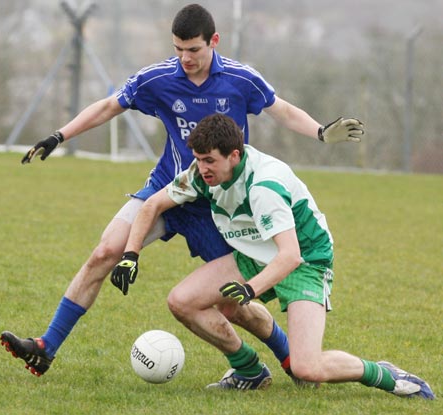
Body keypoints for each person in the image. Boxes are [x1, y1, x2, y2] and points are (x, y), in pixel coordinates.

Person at [0, 4, 363, 380]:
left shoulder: (240, 79)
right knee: (105, 251)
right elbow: (110, 106)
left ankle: (287, 358)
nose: (185, 58)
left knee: (232, 302)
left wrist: (321, 132)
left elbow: (282, 110)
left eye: (193, 50)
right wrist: (60, 135)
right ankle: (46, 346)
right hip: (167, 190)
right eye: (178, 49)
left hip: (219, 204)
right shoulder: (156, 79)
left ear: (213, 42)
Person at [111, 112, 435, 397]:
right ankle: (249, 371)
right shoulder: (201, 173)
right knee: (182, 301)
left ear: (234, 155)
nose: (202, 168)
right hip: (255, 251)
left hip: (306, 259)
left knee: (308, 367)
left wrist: (250, 290)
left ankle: (385, 373)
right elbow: (153, 204)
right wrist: (130, 254)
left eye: (209, 160)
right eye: (198, 158)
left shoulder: (264, 186)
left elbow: (290, 256)